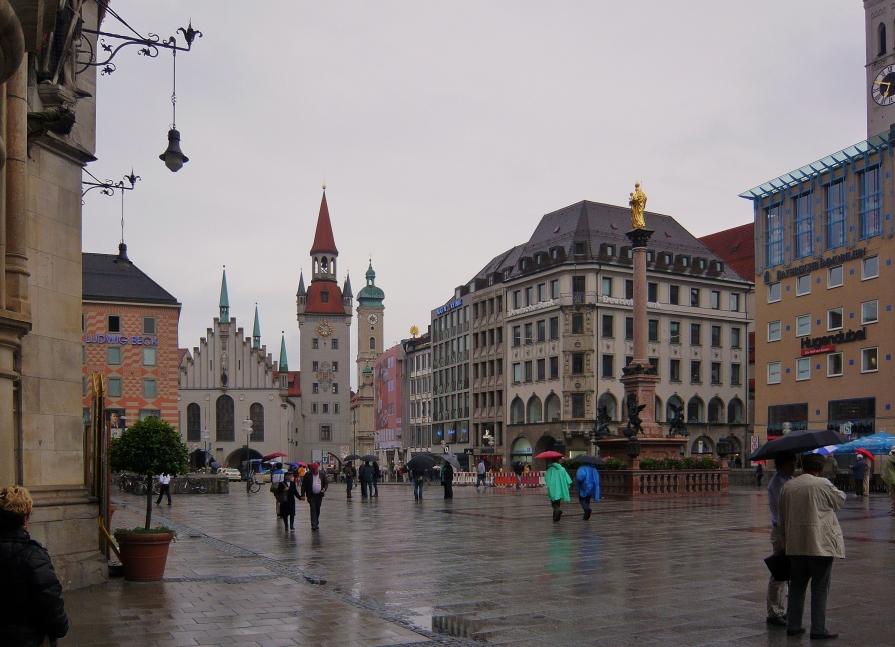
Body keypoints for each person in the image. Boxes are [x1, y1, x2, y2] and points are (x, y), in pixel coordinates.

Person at [778, 453, 845, 640]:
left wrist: (785, 542)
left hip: (796, 543)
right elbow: (840, 500)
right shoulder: (823, 484)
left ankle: (793, 625)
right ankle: (818, 628)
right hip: (820, 544)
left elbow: (781, 517)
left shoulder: (788, 486)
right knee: (820, 587)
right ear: (821, 468)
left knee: (797, 586)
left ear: (802, 466)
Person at [0, 486, 70, 647]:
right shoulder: (34, 556)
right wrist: (60, 627)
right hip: (29, 639)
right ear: (25, 519)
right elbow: (51, 605)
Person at [765, 452, 797, 628]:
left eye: (794, 464)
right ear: (781, 465)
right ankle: (774, 611)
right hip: (780, 530)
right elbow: (784, 505)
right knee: (780, 571)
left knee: (787, 571)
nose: (793, 467)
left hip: (788, 529)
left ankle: (781, 609)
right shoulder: (778, 482)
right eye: (790, 464)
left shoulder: (789, 479)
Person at [300, 462, 328, 531]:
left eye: (316, 469)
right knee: (313, 509)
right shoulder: (308, 475)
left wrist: (324, 488)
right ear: (311, 470)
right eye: (313, 470)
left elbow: (326, 483)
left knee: (317, 509)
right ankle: (313, 524)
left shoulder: (322, 474)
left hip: (319, 495)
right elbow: (303, 485)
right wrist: (303, 494)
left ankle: (316, 522)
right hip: (311, 495)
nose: (315, 471)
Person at [545, 458, 572, 522]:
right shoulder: (562, 469)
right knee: (558, 502)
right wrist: (567, 485)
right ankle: (556, 517)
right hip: (561, 488)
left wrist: (549, 486)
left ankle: (557, 511)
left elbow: (547, 479)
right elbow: (568, 479)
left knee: (553, 503)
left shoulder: (550, 469)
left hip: (553, 488)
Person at [881, 447, 895, 515]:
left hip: (892, 480)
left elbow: (887, 471)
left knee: (893, 495)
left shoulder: (889, 459)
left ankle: (893, 509)